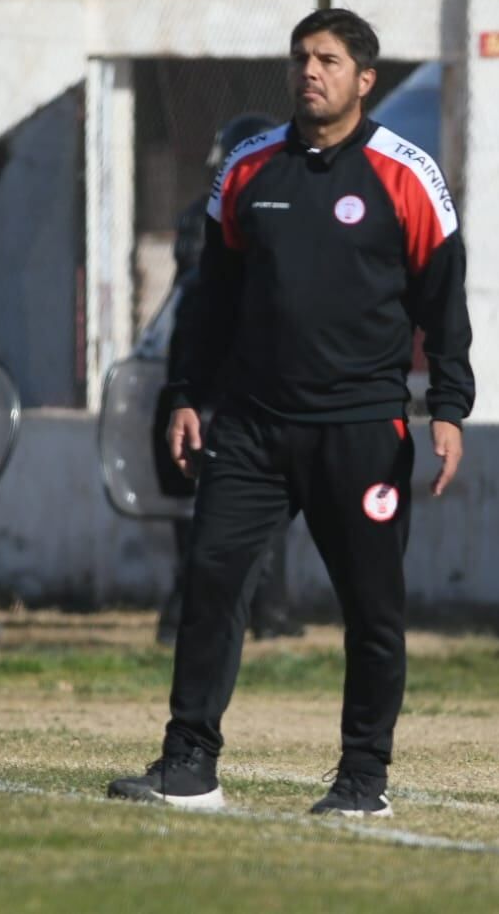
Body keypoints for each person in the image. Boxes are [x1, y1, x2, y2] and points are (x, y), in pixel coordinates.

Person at [107, 8, 474, 816]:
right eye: (302, 57)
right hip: (250, 426)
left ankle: (361, 783)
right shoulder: (246, 168)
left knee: (372, 609)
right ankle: (189, 767)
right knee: (211, 584)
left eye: (329, 60)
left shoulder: (406, 173)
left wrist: (447, 407)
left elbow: (444, 305)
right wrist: (187, 395)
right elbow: (210, 303)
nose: (311, 71)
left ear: (363, 79)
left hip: (361, 431)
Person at [153, 112, 304, 646]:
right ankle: (186, 618)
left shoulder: (281, 209)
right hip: (214, 385)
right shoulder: (208, 219)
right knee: (208, 512)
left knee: (266, 509)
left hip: (255, 381)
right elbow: (209, 294)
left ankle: (268, 612)